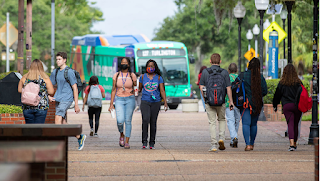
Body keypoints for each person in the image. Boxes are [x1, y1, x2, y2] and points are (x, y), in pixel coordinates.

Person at [49, 52, 86, 151]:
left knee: (57, 118)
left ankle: (58, 146)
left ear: (64, 60)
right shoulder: (55, 72)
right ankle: (79, 136)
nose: (58, 61)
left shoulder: (69, 72)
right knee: (63, 123)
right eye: (57, 59)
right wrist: (48, 96)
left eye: (59, 59)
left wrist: (76, 105)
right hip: (58, 98)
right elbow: (49, 85)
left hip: (67, 98)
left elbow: (75, 88)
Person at [199, 53, 234, 152]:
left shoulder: (205, 72)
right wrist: (231, 101)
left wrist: (206, 98)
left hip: (209, 101)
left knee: (212, 122)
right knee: (222, 119)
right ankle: (221, 138)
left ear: (210, 61)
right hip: (221, 101)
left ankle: (213, 144)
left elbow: (201, 86)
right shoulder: (224, 72)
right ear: (220, 61)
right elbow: (228, 88)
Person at [238, 58, 267, 151]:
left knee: (246, 123)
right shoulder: (260, 77)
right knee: (254, 124)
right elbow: (265, 91)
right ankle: (252, 143)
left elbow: (235, 87)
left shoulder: (243, 76)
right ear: (258, 67)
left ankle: (247, 145)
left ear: (249, 65)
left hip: (246, 104)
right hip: (257, 103)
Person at [139, 59, 168, 149]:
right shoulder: (142, 77)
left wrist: (165, 102)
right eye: (149, 66)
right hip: (145, 101)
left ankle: (152, 142)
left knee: (153, 122)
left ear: (155, 68)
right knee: (145, 119)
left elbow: (162, 90)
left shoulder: (159, 78)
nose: (150, 68)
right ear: (146, 67)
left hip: (156, 102)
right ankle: (144, 141)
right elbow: (139, 89)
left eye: (152, 66)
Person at [108, 57, 137, 149]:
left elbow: (136, 86)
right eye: (122, 62)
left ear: (129, 65)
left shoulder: (132, 75)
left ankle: (127, 142)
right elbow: (113, 89)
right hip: (119, 99)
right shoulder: (116, 75)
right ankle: (121, 134)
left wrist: (134, 90)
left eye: (126, 62)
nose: (124, 63)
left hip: (130, 99)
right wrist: (111, 103)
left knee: (128, 120)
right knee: (120, 121)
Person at [273, 64, 302, 151]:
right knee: (296, 124)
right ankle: (295, 143)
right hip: (297, 106)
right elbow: (302, 94)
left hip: (287, 106)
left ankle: (291, 144)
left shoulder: (282, 83)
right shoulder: (299, 83)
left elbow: (277, 95)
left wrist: (275, 105)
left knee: (290, 123)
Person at [18, 59, 54, 124]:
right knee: (39, 129)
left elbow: (19, 90)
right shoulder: (45, 78)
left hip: (27, 106)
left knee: (29, 129)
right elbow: (51, 91)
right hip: (41, 107)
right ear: (41, 67)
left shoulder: (24, 78)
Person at [225, 63, 241, 148]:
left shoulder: (226, 78)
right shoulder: (240, 78)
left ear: (228, 70)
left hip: (228, 102)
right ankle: (234, 138)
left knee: (230, 120)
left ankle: (234, 137)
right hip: (238, 103)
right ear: (237, 70)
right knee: (237, 120)